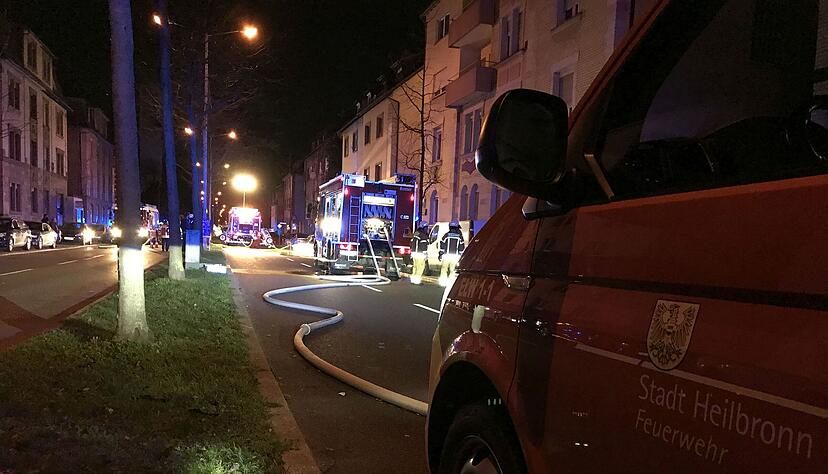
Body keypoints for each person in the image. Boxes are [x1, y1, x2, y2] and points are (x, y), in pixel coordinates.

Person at [438, 220, 465, 286]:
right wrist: (460, 255)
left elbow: (442, 245)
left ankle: (443, 283)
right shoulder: (459, 236)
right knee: (453, 270)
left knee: (444, 269)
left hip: (446, 256)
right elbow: (461, 247)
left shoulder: (446, 235)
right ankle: (451, 283)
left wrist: (441, 254)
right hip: (455, 257)